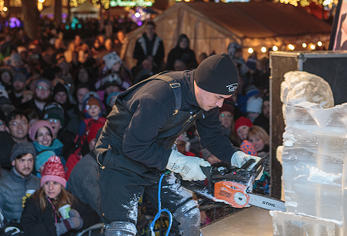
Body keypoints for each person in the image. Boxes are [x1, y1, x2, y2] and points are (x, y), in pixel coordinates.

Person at [95, 53, 260, 236]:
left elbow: (213, 137)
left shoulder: (207, 101)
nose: (220, 104)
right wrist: (180, 162)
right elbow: (134, 146)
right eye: (219, 97)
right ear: (202, 86)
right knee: (121, 230)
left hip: (159, 156)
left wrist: (237, 157)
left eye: (225, 98)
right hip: (121, 159)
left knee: (187, 214)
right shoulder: (160, 96)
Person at [20, 156, 100, 236]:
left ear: (61, 185)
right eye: (47, 183)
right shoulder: (34, 201)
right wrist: (59, 228)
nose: (50, 188)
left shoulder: (70, 199)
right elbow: (27, 227)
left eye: (55, 183)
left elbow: (93, 215)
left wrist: (80, 223)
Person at [0, 142, 40, 225]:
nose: (27, 165)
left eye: (30, 160)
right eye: (22, 160)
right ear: (13, 162)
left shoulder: (40, 183)